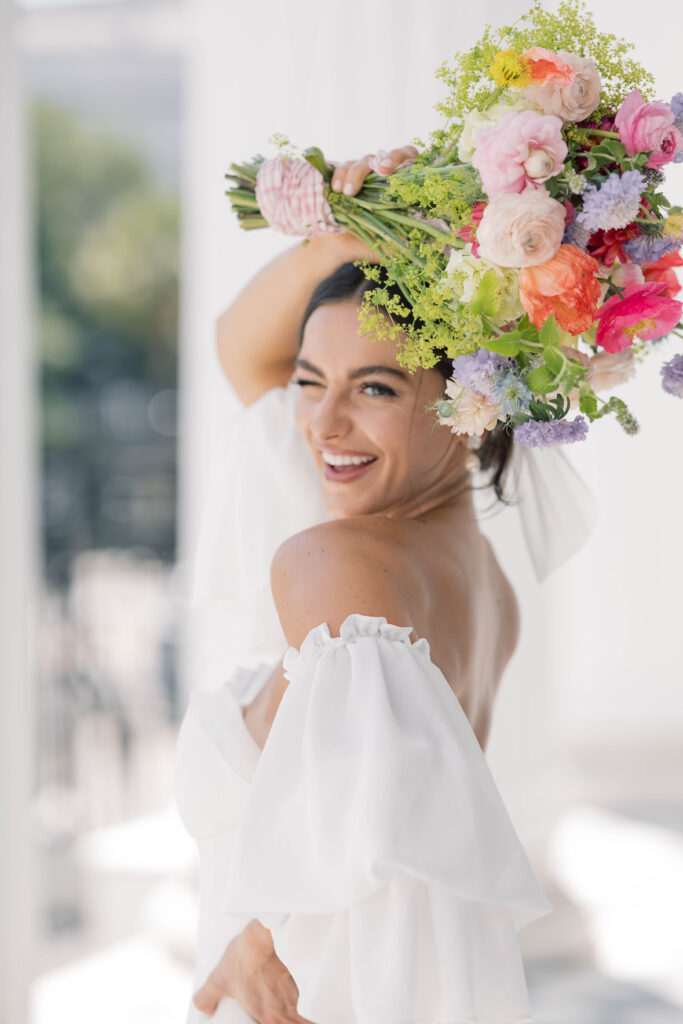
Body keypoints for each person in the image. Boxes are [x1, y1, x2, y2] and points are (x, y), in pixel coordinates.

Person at [174, 146, 553, 1024]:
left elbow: (352, 838)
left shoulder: (335, 563)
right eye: (310, 382)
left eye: (374, 387)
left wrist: (252, 944)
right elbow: (243, 346)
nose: (321, 424)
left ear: (471, 409)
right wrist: (346, 234)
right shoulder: (483, 583)